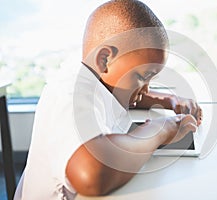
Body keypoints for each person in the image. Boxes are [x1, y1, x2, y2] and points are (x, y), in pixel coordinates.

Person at [14, 0, 202, 199]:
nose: (145, 88)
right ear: (104, 60)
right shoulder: (68, 95)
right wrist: (159, 131)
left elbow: (117, 90)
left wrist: (168, 100)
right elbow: (92, 174)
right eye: (142, 77)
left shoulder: (92, 71)